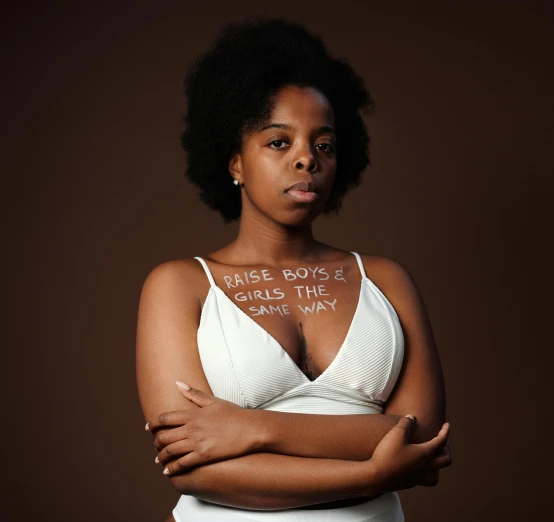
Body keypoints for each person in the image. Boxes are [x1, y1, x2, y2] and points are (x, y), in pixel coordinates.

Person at [135, 16, 451, 522]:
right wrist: (372, 473)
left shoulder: (385, 281)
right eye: (279, 142)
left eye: (323, 145)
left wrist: (257, 428)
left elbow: (423, 439)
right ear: (235, 162)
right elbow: (195, 470)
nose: (307, 159)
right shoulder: (180, 286)